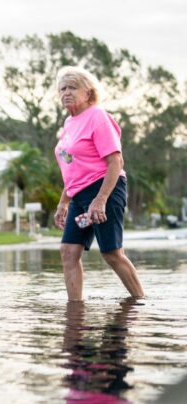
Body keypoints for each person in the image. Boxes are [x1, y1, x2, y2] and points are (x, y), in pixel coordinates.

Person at [53, 66, 144, 301]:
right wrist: (63, 202)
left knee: (112, 253)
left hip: (104, 189)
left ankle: (141, 301)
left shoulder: (98, 116)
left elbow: (115, 161)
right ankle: (75, 310)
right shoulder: (69, 123)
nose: (66, 93)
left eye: (73, 87)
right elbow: (73, 168)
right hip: (79, 195)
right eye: (63, 89)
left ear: (88, 92)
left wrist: (100, 200)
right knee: (68, 252)